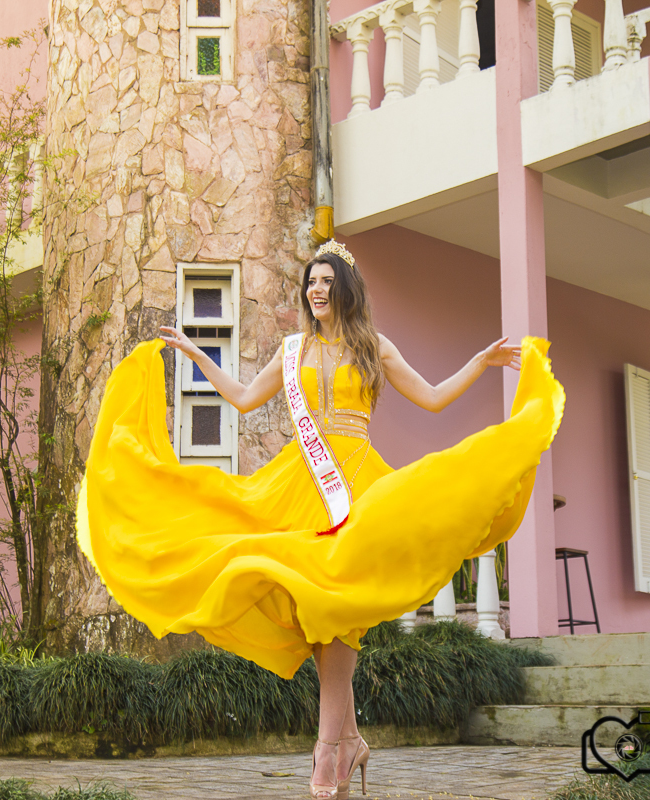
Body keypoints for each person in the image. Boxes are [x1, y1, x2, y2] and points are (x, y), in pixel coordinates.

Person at [76, 240, 564, 800]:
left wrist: (479, 363)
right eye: (312, 282)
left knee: (335, 612)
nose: (317, 290)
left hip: (357, 486)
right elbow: (240, 398)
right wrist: (194, 352)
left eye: (328, 282)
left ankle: (328, 750)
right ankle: (348, 741)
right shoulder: (292, 350)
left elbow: (431, 398)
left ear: (346, 291)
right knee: (319, 613)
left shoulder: (374, 348)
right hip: (298, 485)